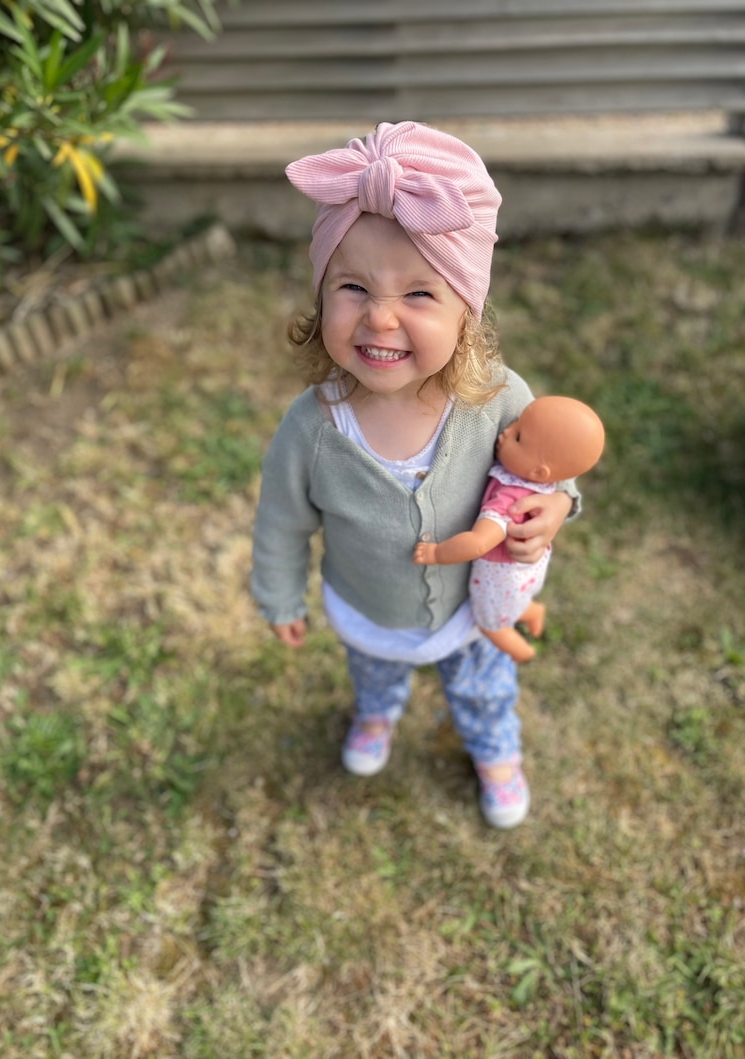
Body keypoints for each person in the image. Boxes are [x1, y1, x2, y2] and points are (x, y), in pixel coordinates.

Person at [251, 121, 579, 829]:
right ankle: (377, 715)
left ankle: (496, 752)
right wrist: (279, 595)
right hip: (369, 611)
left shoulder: (497, 399)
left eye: (420, 295)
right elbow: (279, 520)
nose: (380, 316)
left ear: (468, 312)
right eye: (352, 286)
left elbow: (552, 469)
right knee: (373, 675)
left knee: (486, 690)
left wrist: (557, 510)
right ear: (320, 298)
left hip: (470, 616)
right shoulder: (313, 428)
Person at [413, 396, 604, 663]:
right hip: (524, 571)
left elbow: (479, 542)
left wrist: (437, 554)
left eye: (518, 438)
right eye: (515, 423)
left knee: (491, 626)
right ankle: (531, 611)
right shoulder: (538, 483)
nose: (505, 432)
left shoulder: (509, 501)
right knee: (515, 603)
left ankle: (523, 653)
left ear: (539, 472)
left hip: (499, 577)